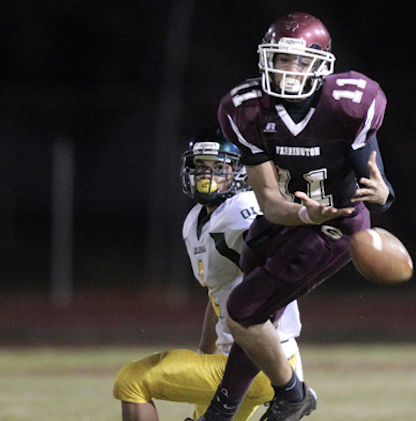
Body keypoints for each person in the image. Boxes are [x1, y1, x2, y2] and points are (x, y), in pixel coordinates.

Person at [199, 11, 395, 421]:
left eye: (299, 61)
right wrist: (301, 214)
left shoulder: (350, 104)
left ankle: (285, 396)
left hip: (335, 224)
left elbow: (374, 180)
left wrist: (383, 194)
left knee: (244, 309)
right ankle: (236, 408)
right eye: (282, 60)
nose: (289, 70)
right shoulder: (246, 109)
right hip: (287, 217)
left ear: (321, 65)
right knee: (252, 308)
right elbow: (269, 199)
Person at [113, 126, 304, 421]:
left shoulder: (243, 206)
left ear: (238, 172)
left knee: (132, 380)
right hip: (240, 361)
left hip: (260, 361)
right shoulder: (194, 221)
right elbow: (218, 294)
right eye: (201, 167)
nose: (207, 176)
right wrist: (204, 353)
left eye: (219, 167)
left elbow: (278, 245)